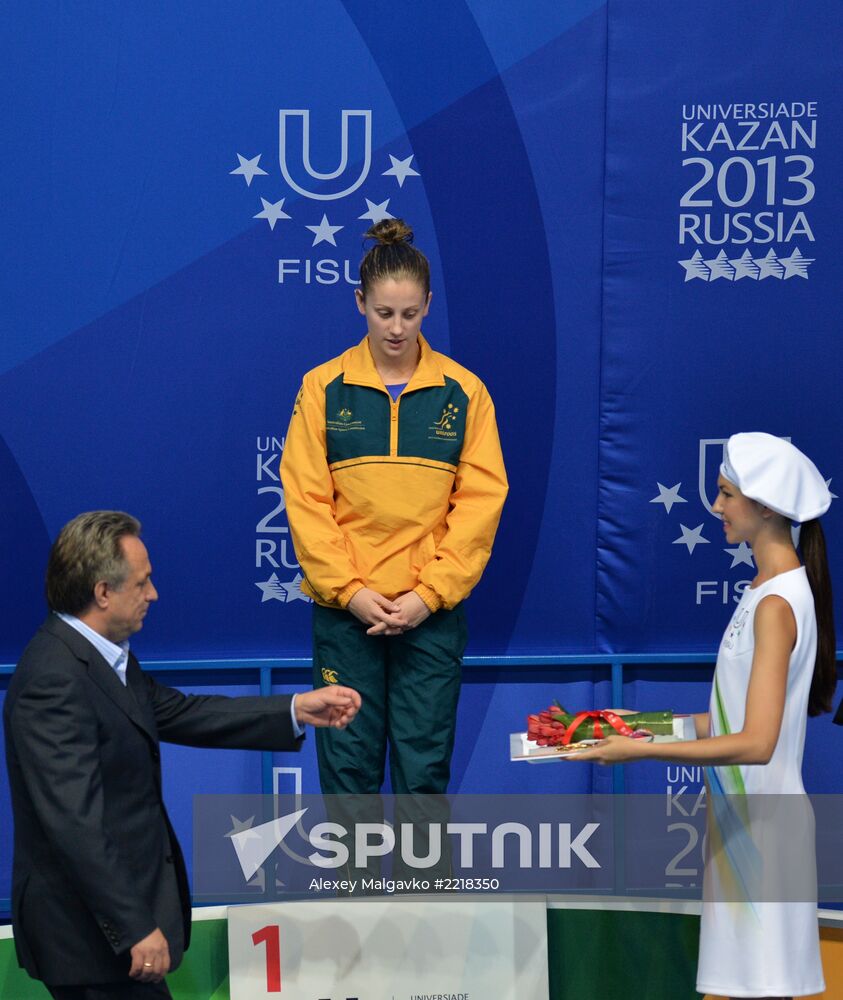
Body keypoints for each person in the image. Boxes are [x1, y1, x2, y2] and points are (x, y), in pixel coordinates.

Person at [3, 510, 361, 1000]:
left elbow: (182, 713)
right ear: (103, 592)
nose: (153, 595)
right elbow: (75, 823)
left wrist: (297, 708)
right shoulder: (54, 677)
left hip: (104, 934)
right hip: (87, 937)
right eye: (143, 583)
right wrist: (132, 927)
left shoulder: (104, 657)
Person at [575, 432, 836, 999]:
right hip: (743, 826)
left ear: (765, 506)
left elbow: (756, 742)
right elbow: (725, 719)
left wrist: (640, 750)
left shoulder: (776, 603)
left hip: (766, 834)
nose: (715, 507)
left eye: (725, 494)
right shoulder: (764, 591)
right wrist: (636, 723)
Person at [280, 218, 508, 804]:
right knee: (347, 776)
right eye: (384, 313)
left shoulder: (466, 392)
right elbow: (306, 501)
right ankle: (354, 900)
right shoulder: (321, 387)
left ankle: (419, 900)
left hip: (428, 615)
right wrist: (351, 592)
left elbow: (481, 505)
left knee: (423, 777)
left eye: (409, 313)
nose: (397, 328)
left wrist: (426, 596)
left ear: (428, 305)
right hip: (344, 616)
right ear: (360, 303)